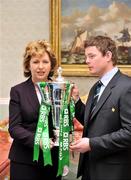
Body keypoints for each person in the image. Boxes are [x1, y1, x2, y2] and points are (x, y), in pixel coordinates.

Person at [70, 35, 131, 180]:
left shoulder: (127, 87)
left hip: (114, 172)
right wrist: (76, 101)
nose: (87, 61)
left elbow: (129, 132)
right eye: (86, 57)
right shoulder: (96, 87)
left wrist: (92, 144)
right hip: (90, 169)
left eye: (91, 56)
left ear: (108, 55)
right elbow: (93, 122)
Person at [8, 40, 62, 180]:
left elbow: (65, 121)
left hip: (53, 161)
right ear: (28, 65)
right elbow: (14, 128)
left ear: (51, 65)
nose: (40, 67)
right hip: (24, 161)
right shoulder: (17, 91)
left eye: (45, 61)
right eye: (35, 62)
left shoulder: (60, 89)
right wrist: (38, 140)